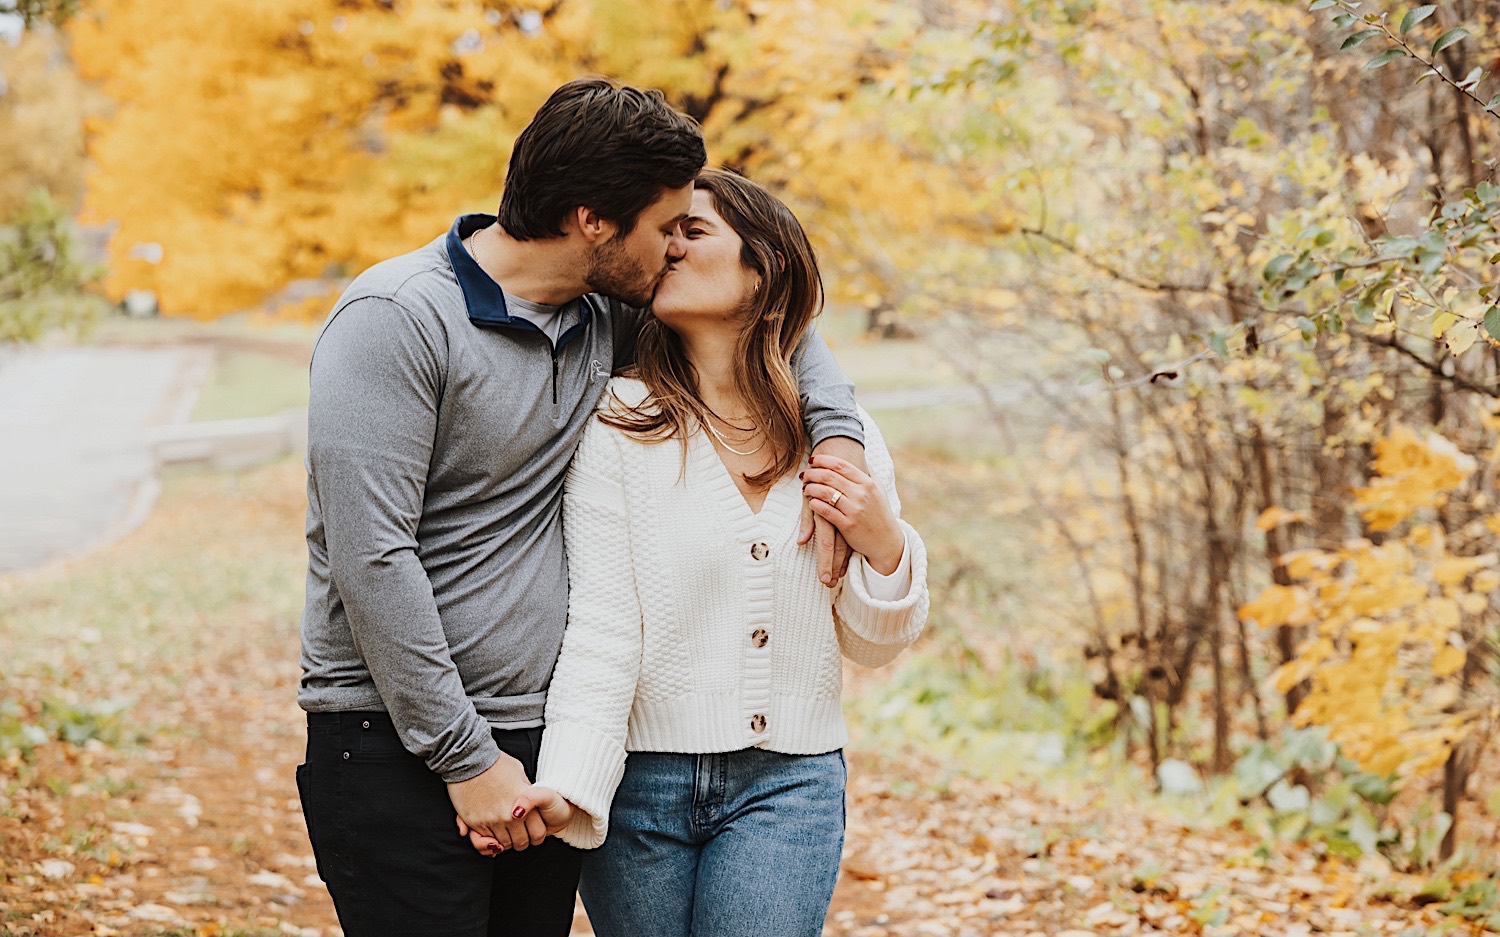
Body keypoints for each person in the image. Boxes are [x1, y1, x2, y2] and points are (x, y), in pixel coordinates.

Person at [295, 80, 868, 937]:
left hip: (544, 747)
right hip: (395, 741)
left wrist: (839, 439)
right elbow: (371, 555)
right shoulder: (397, 318)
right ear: (594, 219)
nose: (677, 248)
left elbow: (777, 324)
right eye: (668, 225)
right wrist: (464, 756)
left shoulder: (606, 315)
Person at [467, 169, 930, 937]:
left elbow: (872, 644)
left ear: (766, 266)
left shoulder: (841, 436)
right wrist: (573, 784)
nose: (668, 247)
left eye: (694, 231)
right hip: (639, 787)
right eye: (667, 230)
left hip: (789, 784)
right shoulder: (618, 423)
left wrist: (886, 546)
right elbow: (603, 629)